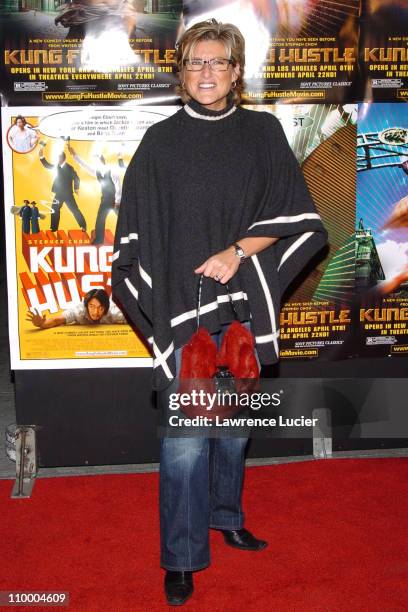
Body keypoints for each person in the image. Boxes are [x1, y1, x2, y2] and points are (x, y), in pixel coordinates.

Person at [112, 19, 327, 606]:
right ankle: (181, 557)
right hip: (183, 309)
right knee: (185, 439)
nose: (206, 72)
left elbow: (299, 217)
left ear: (236, 71)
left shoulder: (263, 133)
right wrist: (167, 291)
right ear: (181, 74)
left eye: (217, 62)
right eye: (194, 63)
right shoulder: (160, 143)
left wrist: (237, 253)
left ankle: (226, 514)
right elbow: (136, 235)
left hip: (243, 307)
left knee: (232, 429)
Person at [67, 144, 125, 244]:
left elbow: (118, 186)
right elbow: (84, 166)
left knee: (123, 220)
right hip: (105, 200)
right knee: (100, 220)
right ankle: (99, 239)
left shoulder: (112, 171)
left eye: (98, 160)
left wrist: (117, 201)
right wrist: (74, 156)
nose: (96, 163)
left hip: (115, 200)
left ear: (102, 160)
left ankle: (128, 238)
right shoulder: (97, 172)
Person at [39, 142, 87, 232]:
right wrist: (41, 154)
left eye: (58, 158)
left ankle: (83, 226)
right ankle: (53, 229)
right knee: (54, 209)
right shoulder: (57, 166)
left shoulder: (69, 168)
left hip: (68, 194)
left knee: (74, 210)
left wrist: (76, 188)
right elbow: (46, 165)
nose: (57, 159)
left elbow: (77, 178)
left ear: (63, 158)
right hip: (59, 194)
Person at [27, 289, 126, 328]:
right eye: (92, 306)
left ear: (106, 308)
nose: (96, 312)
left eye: (101, 308)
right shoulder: (78, 311)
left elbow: (135, 318)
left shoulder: (113, 312)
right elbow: (55, 320)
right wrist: (40, 323)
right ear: (86, 305)